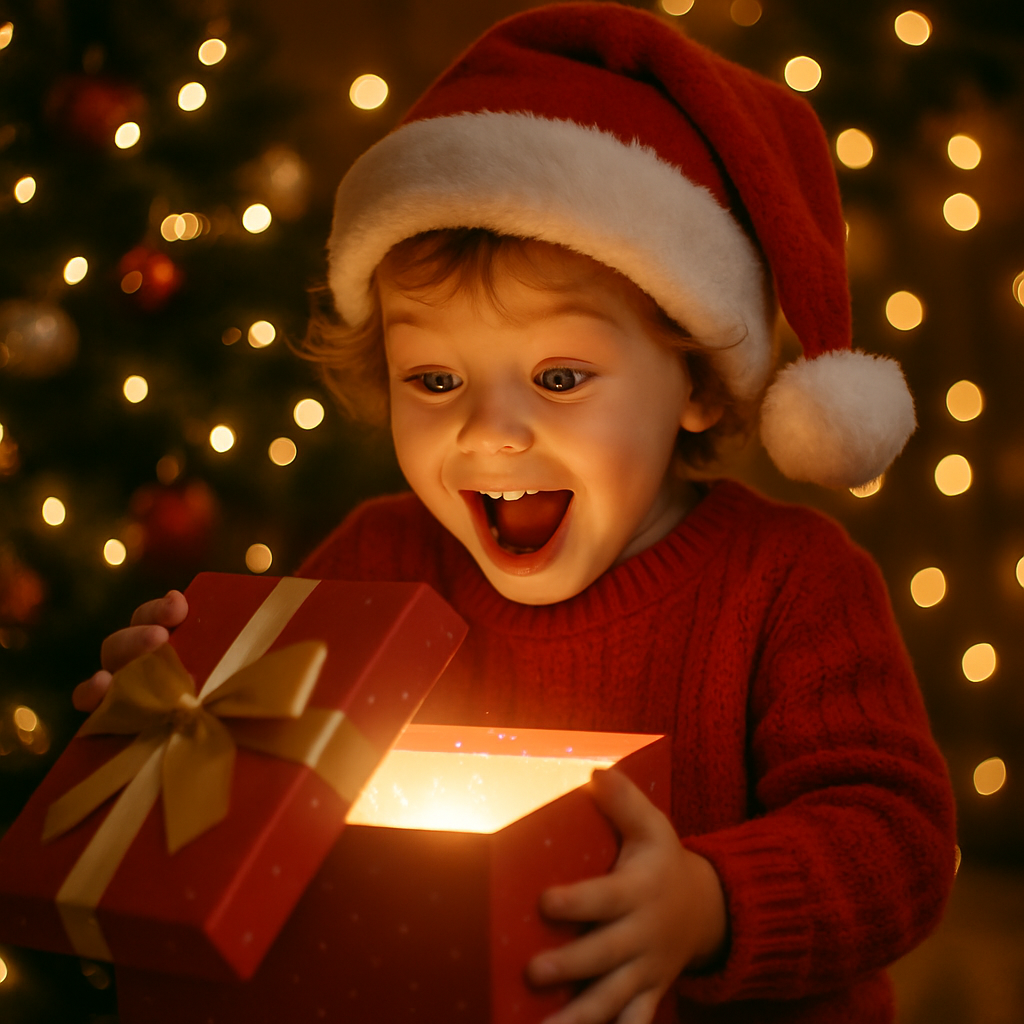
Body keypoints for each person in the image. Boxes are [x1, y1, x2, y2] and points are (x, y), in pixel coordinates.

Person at [74, 5, 956, 1023]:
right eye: (436, 378)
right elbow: (257, 794)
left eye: (560, 374)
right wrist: (172, 727)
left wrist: (710, 903)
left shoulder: (790, 581)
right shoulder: (374, 559)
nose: (490, 434)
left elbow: (895, 840)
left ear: (701, 388)